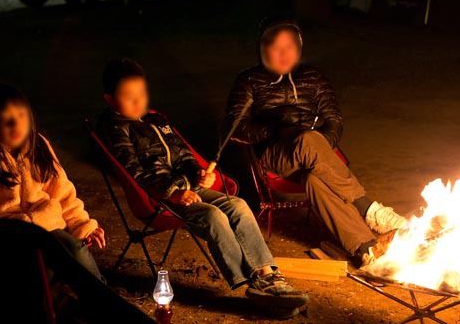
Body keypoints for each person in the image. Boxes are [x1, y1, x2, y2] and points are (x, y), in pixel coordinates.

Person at [97, 58, 309, 316]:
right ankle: (252, 282)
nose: (138, 101)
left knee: (238, 205)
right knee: (213, 215)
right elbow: (134, 173)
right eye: (128, 97)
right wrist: (172, 194)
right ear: (110, 99)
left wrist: (197, 174)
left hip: (188, 188)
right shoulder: (118, 130)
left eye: (141, 94)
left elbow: (183, 154)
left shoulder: (157, 120)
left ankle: (267, 274)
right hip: (160, 198)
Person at [226, 18, 407, 266]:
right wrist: (278, 130)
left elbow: (334, 120)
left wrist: (320, 148)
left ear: (299, 47)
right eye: (276, 47)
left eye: (289, 46)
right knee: (309, 140)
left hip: (314, 152)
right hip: (275, 154)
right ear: (263, 48)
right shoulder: (249, 80)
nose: (283, 53)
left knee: (314, 177)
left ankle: (366, 248)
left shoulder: (313, 77)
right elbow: (235, 126)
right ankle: (370, 211)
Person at [0, 83, 106, 282]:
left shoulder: (39, 146)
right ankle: (48, 309)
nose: (16, 125)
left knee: (75, 249)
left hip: (48, 225)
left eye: (22, 115)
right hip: (10, 237)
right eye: (6, 119)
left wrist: (83, 225)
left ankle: (100, 301)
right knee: (44, 269)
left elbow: (62, 192)